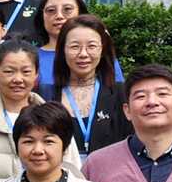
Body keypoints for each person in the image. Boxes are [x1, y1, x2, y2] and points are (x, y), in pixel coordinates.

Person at [0, 39, 79, 182]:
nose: (18, 79)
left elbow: (74, 173)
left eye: (26, 72)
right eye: (9, 71)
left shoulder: (56, 119)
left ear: (36, 74)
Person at [48, 14, 132, 155]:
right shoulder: (45, 94)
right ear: (63, 50)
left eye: (91, 46)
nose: (83, 54)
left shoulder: (122, 93)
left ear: (102, 49)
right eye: (75, 46)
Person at [34, 0, 89, 93]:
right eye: (51, 10)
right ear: (42, 17)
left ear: (80, 13)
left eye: (67, 9)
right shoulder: (31, 58)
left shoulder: (97, 55)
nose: (59, 16)